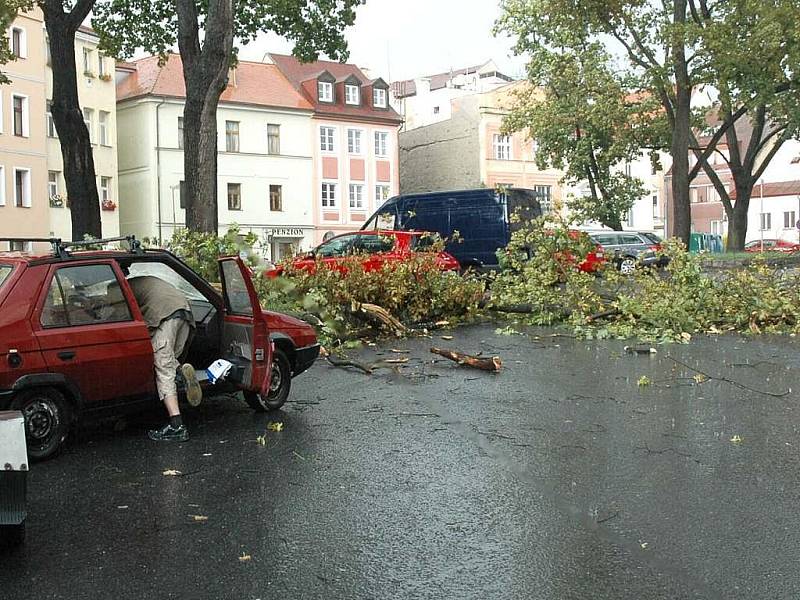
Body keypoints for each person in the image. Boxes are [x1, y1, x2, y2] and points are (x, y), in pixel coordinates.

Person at [126, 275, 203, 442]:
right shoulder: (143, 280)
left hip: (166, 317)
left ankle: (177, 426)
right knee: (170, 360)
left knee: (163, 367)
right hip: (185, 314)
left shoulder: (117, 287)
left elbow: (111, 314)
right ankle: (181, 372)